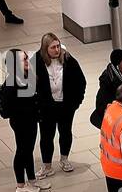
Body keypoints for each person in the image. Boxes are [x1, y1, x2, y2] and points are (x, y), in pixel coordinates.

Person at [34, 32, 86, 176]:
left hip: (66, 106)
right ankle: (47, 165)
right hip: (46, 108)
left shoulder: (69, 60)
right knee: (46, 136)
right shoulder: (36, 62)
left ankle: (64, 159)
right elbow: (29, 85)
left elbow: (81, 82)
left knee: (65, 132)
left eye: (58, 46)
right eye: (53, 48)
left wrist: (76, 102)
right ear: (45, 49)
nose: (57, 50)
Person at [0, 49, 49, 192]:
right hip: (21, 122)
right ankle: (20, 184)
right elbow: (10, 108)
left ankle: (32, 180)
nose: (27, 61)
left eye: (27, 58)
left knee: (29, 150)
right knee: (22, 150)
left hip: (32, 120)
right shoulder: (10, 84)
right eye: (24, 60)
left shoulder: (28, 76)